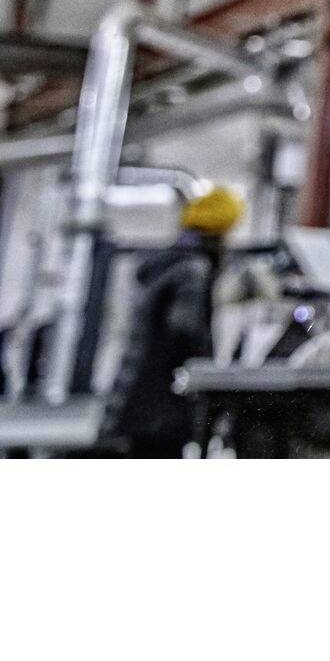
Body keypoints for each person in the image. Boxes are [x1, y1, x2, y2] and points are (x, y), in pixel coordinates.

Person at [98, 182, 242, 458]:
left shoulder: (168, 262)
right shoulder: (193, 269)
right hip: (164, 410)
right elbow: (184, 328)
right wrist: (208, 373)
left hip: (134, 401)